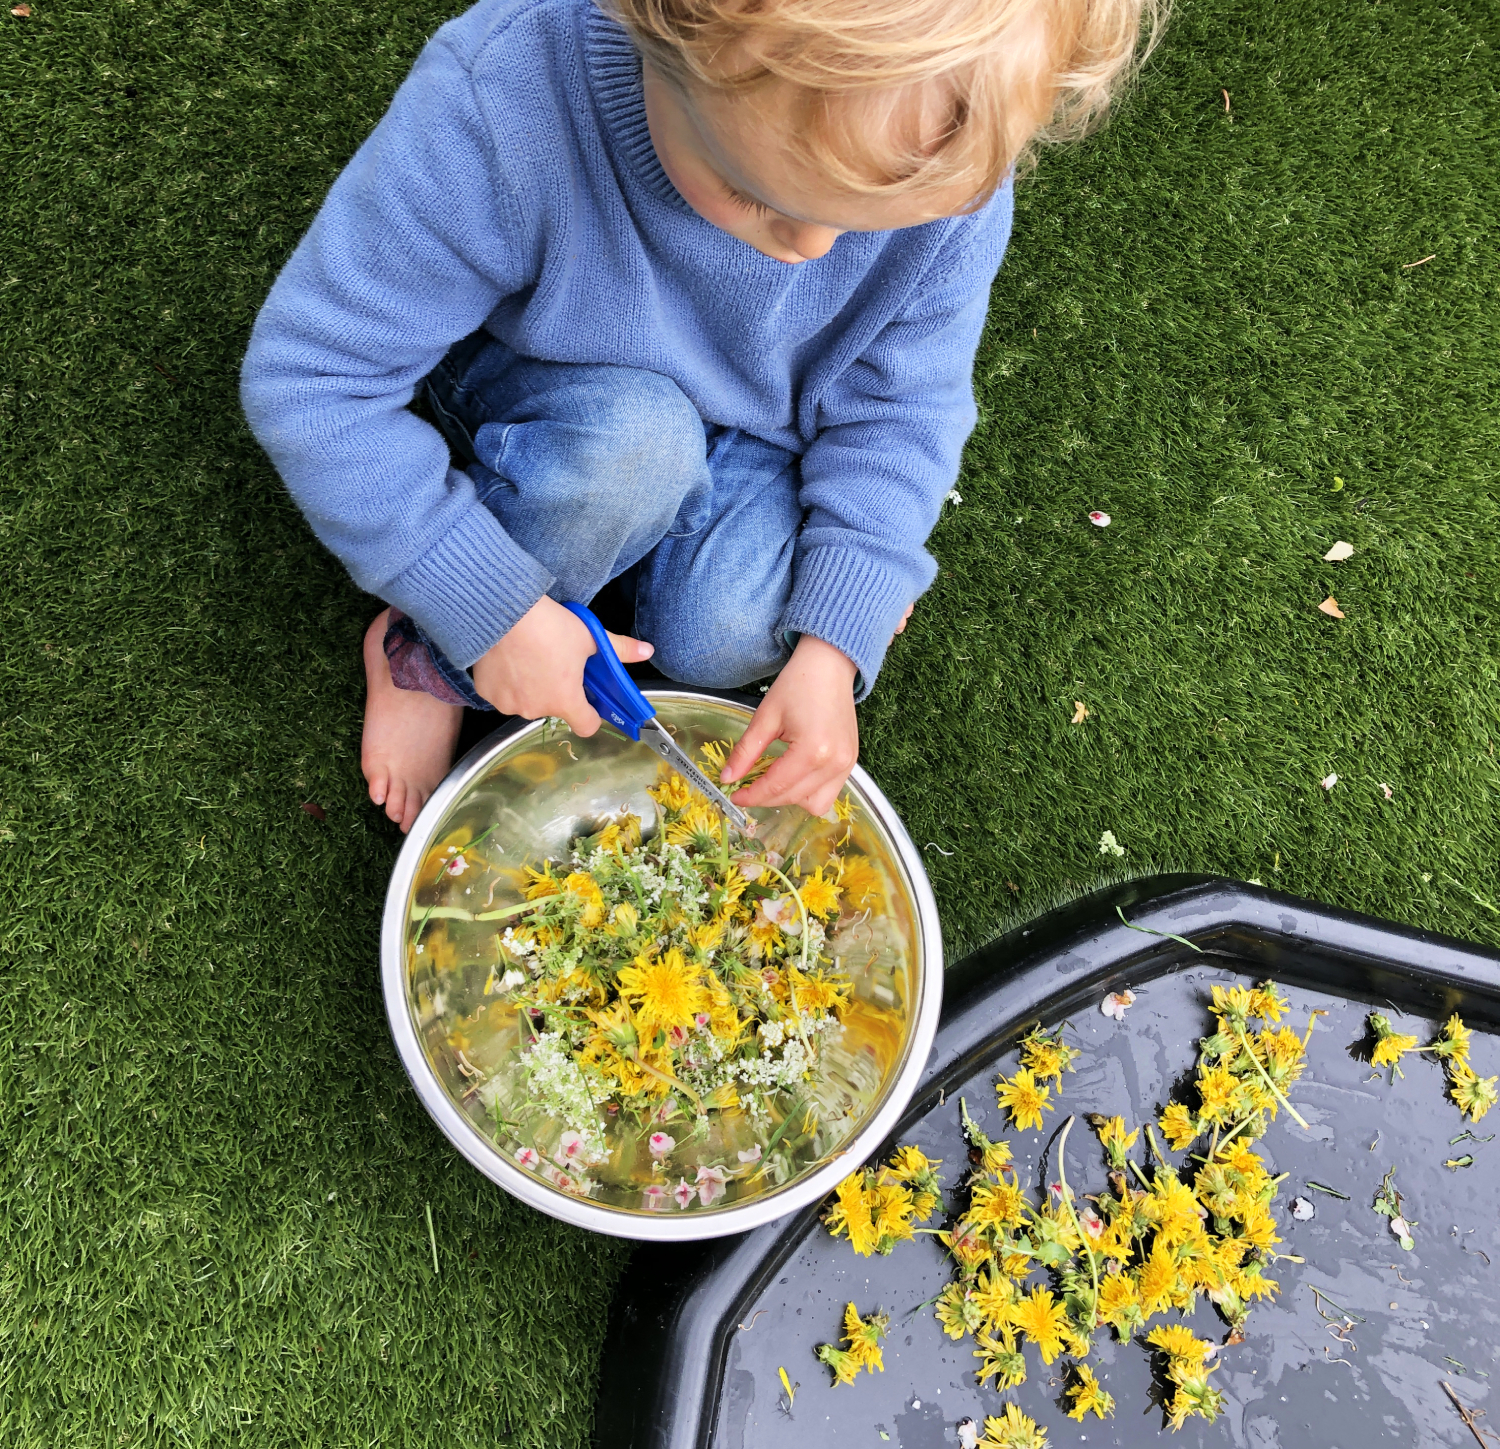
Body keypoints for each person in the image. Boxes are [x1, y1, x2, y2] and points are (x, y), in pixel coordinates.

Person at [242, 0, 1160, 831]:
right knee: (634, 451)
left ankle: (643, 554)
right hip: (555, 381)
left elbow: (903, 409)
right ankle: (422, 656)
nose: (810, 253)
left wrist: (838, 639)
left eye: (868, 226)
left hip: (755, 433)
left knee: (734, 634)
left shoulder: (948, 168)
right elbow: (314, 377)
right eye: (758, 198)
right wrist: (483, 610)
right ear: (658, 26)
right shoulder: (506, 103)